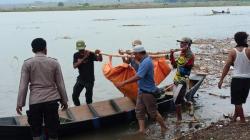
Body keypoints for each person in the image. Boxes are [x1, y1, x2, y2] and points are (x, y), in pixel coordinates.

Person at [16, 38, 68, 140]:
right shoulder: (54, 63)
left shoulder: (27, 64)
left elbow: (23, 86)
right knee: (53, 133)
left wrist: (20, 103)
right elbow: (60, 84)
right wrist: (64, 100)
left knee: (36, 133)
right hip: (51, 101)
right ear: (45, 48)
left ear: (32, 50)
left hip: (35, 101)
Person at [116, 45, 167, 134]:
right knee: (139, 111)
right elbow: (134, 63)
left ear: (139, 53)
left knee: (153, 113)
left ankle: (164, 127)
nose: (134, 56)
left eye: (135, 54)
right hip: (141, 91)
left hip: (148, 92)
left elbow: (139, 76)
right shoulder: (143, 60)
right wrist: (126, 55)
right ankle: (141, 130)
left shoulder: (146, 62)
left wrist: (124, 83)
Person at [218, 32, 250, 123]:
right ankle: (235, 117)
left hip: (237, 79)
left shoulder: (233, 52)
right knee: (241, 100)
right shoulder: (248, 50)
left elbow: (227, 66)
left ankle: (243, 121)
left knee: (237, 102)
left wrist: (221, 80)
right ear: (244, 40)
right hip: (247, 79)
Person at [170, 37, 195, 123]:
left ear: (188, 45)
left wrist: (181, 53)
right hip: (176, 79)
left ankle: (179, 119)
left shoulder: (190, 55)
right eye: (180, 43)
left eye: (183, 43)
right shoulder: (181, 53)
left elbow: (183, 65)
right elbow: (174, 65)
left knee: (177, 101)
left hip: (183, 81)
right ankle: (189, 103)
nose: (181, 45)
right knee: (177, 99)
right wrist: (171, 55)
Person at [72, 40, 103, 106]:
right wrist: (85, 57)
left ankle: (90, 110)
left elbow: (100, 59)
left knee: (88, 98)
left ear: (85, 47)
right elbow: (75, 66)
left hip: (90, 80)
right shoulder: (76, 55)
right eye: (79, 49)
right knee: (74, 95)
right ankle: (78, 108)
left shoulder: (91, 54)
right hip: (81, 79)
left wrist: (99, 53)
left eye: (82, 49)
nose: (81, 51)